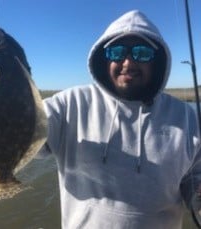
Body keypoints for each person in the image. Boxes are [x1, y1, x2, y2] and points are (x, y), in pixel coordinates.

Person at [39, 10, 201, 229]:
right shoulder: (69, 104)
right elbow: (27, 136)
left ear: (157, 62)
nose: (128, 63)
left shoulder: (186, 116)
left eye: (142, 53)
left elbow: (195, 176)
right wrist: (4, 72)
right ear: (104, 59)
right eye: (117, 52)